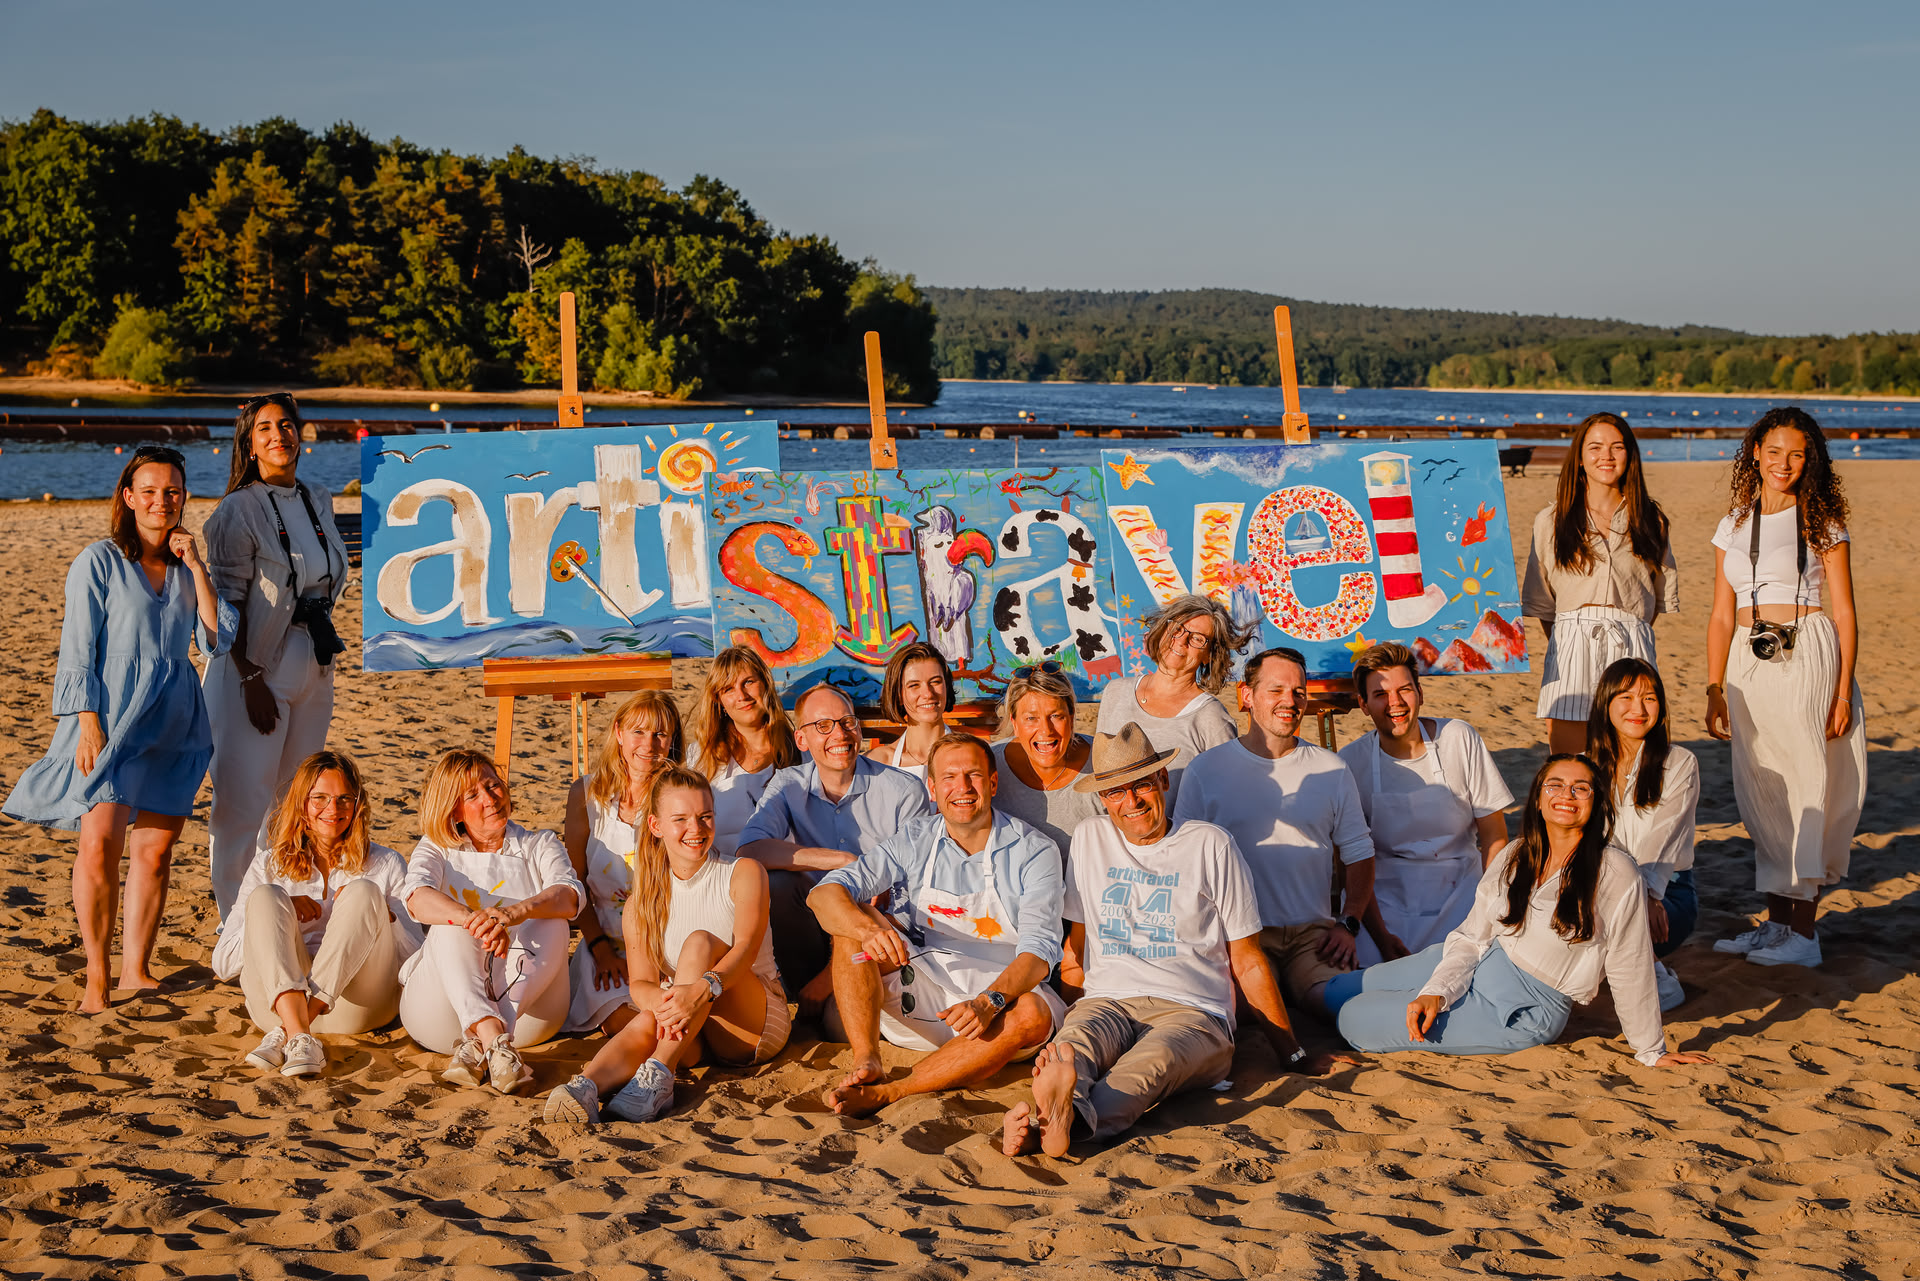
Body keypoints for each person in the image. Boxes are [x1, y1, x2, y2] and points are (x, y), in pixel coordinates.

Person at [1003, 723, 1330, 1158]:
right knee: (1072, 1050)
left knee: (1146, 1070)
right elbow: (1076, 945)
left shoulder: (1210, 845)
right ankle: (1059, 1116)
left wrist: (1293, 1054)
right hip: (1108, 1000)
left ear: (1162, 781)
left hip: (1195, 1012)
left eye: (1141, 785)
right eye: (1116, 792)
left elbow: (1247, 960)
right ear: (1103, 799)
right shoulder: (1090, 838)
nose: (1131, 802)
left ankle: (1050, 1125)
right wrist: (1069, 1012)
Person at [4, 446, 230, 1012]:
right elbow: (77, 649)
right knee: (99, 843)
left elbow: (214, 639)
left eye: (173, 490)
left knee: (155, 854)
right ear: (128, 498)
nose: (162, 500)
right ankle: (97, 976)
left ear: (184, 496)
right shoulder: (98, 561)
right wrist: (86, 723)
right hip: (110, 718)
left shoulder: (186, 568)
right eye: (149, 491)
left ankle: (137, 969)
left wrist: (198, 566)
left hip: (175, 720)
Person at [1325, 756, 1712, 1070]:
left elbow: (1631, 963)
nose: (1567, 794)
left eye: (1581, 788)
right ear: (1539, 799)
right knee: (1342, 991)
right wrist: (1436, 992)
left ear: (1596, 803)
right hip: (1482, 962)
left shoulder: (1614, 871)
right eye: (1555, 785)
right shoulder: (1516, 854)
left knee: (1353, 1018)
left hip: (1525, 1006)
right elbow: (1472, 936)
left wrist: (1651, 1049)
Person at [807, 733, 1066, 1116]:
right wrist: (867, 931)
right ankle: (867, 1060)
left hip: (1000, 1002)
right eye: (948, 777)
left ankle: (894, 1091)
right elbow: (824, 893)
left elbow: (1040, 952)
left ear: (992, 783)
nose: (961, 788)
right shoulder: (915, 839)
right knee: (850, 933)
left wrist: (989, 1001)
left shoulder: (1035, 850)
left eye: (973, 776)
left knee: (1033, 1014)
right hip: (925, 987)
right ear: (932, 786)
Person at [1706, 407, 1864, 970]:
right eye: (1774, 452)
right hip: (1746, 659)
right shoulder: (1733, 523)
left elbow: (1844, 612)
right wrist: (1712, 686)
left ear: (1810, 459)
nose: (1784, 463)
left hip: (1807, 649)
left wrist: (1842, 693)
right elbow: (1721, 615)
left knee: (1805, 784)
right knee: (1761, 788)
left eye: (1797, 454)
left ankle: (1804, 933)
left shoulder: (1823, 520)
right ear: (1755, 453)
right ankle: (1775, 924)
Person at [545, 766, 789, 1124]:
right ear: (656, 826)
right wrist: (669, 1002)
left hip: (752, 1023)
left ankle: (658, 1074)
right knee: (650, 1013)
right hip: (692, 1030)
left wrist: (698, 991)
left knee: (699, 943)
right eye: (682, 819)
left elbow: (746, 950)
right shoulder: (641, 902)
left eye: (705, 817)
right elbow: (641, 984)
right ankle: (584, 1087)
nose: (697, 829)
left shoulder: (743, 873)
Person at [202, 393, 351, 919]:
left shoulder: (319, 496)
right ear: (249, 440)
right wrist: (249, 678)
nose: (277, 435)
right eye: (264, 428)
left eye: (285, 425)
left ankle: (277, 915)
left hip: (314, 660)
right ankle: (235, 926)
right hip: (254, 668)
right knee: (242, 808)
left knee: (291, 803)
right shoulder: (235, 511)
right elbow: (226, 607)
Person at [1172, 647, 1379, 1016]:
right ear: (1246, 696)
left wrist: (1348, 922)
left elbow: (1358, 852)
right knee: (1242, 1014)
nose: (1290, 701)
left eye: (1299, 691)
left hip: (1313, 934)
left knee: (1339, 1007)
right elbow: (1182, 862)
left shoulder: (1331, 769)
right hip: (1239, 936)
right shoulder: (1206, 770)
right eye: (1276, 690)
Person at [212, 751, 421, 1076]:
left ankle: (293, 1031)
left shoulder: (386, 863)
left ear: (357, 806)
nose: (332, 810)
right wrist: (281, 913)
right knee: (267, 896)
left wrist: (383, 919)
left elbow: (416, 962)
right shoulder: (269, 864)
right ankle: (299, 1031)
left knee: (364, 892)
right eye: (319, 798)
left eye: (343, 799)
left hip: (358, 1008)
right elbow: (223, 964)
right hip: (275, 1004)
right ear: (301, 805)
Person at [736, 683, 934, 1011]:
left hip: (880, 926)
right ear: (802, 739)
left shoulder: (903, 790)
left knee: (839, 1020)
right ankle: (805, 996)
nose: (840, 735)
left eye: (847, 722)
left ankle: (830, 995)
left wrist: (831, 975)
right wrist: (841, 860)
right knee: (777, 884)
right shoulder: (789, 784)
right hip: (814, 924)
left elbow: (914, 892)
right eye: (823, 726)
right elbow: (750, 850)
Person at [399, 750, 584, 1093]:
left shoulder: (538, 843)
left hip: (529, 1013)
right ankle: (492, 1038)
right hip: (442, 1016)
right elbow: (415, 896)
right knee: (448, 923)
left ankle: (490, 1039)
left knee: (553, 919)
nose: (490, 799)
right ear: (454, 808)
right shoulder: (438, 847)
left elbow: (571, 895)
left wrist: (514, 914)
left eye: (493, 785)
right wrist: (474, 921)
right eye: (473, 795)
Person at [1336, 643, 1512, 966]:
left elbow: (1494, 835)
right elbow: (1353, 862)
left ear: (1420, 691)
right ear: (1362, 704)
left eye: (1405, 689)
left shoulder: (1459, 738)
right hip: (1386, 902)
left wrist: (1490, 908)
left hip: (1463, 892)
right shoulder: (1350, 762)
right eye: (1380, 695)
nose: (1395, 703)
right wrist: (1381, 937)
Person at [1521, 413, 1678, 755]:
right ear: (1579, 458)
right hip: (1570, 643)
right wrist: (1572, 636)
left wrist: (1625, 625)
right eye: (1595, 447)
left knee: (1632, 758)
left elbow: (1652, 598)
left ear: (1630, 455)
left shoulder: (1652, 520)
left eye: (1616, 447)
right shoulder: (1551, 520)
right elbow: (1544, 602)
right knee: (1571, 760)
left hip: (1632, 641)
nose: (1606, 456)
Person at [561, 691, 682, 1038]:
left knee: (667, 1022)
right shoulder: (586, 794)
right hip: (604, 945)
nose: (650, 744)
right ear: (619, 733)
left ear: (671, 740)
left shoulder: (678, 795)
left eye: (660, 734)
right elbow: (575, 883)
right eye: (639, 732)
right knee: (627, 1024)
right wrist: (599, 949)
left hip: (665, 947)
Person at [1586, 658, 1698, 1011]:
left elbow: (1663, 836)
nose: (1638, 709)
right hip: (1597, 887)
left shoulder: (1678, 762)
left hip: (1665, 893)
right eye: (1626, 697)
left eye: (1649, 698)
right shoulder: (1582, 765)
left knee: (1611, 917)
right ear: (1606, 703)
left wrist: (1646, 894)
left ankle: (1655, 974)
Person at [1094, 594, 1248, 806]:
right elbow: (1100, 776)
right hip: (1112, 835)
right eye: (1176, 628)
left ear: (1209, 655)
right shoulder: (1116, 692)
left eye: (1197, 638)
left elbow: (1227, 800)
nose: (1181, 641)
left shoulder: (1212, 718)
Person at [687, 646, 800, 859]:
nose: (741, 695)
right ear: (718, 701)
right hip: (721, 877)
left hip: (786, 878)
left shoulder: (800, 753)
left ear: (765, 684)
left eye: (748, 682)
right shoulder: (700, 758)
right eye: (728, 689)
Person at [989, 663, 1100, 852]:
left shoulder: (1103, 760)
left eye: (1056, 716)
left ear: (1071, 717)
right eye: (1031, 718)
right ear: (1014, 723)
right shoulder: (989, 765)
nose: (1046, 731)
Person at [865, 642, 953, 781]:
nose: (927, 694)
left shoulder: (973, 754)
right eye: (914, 685)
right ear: (898, 695)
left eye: (935, 682)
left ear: (947, 687)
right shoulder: (876, 763)